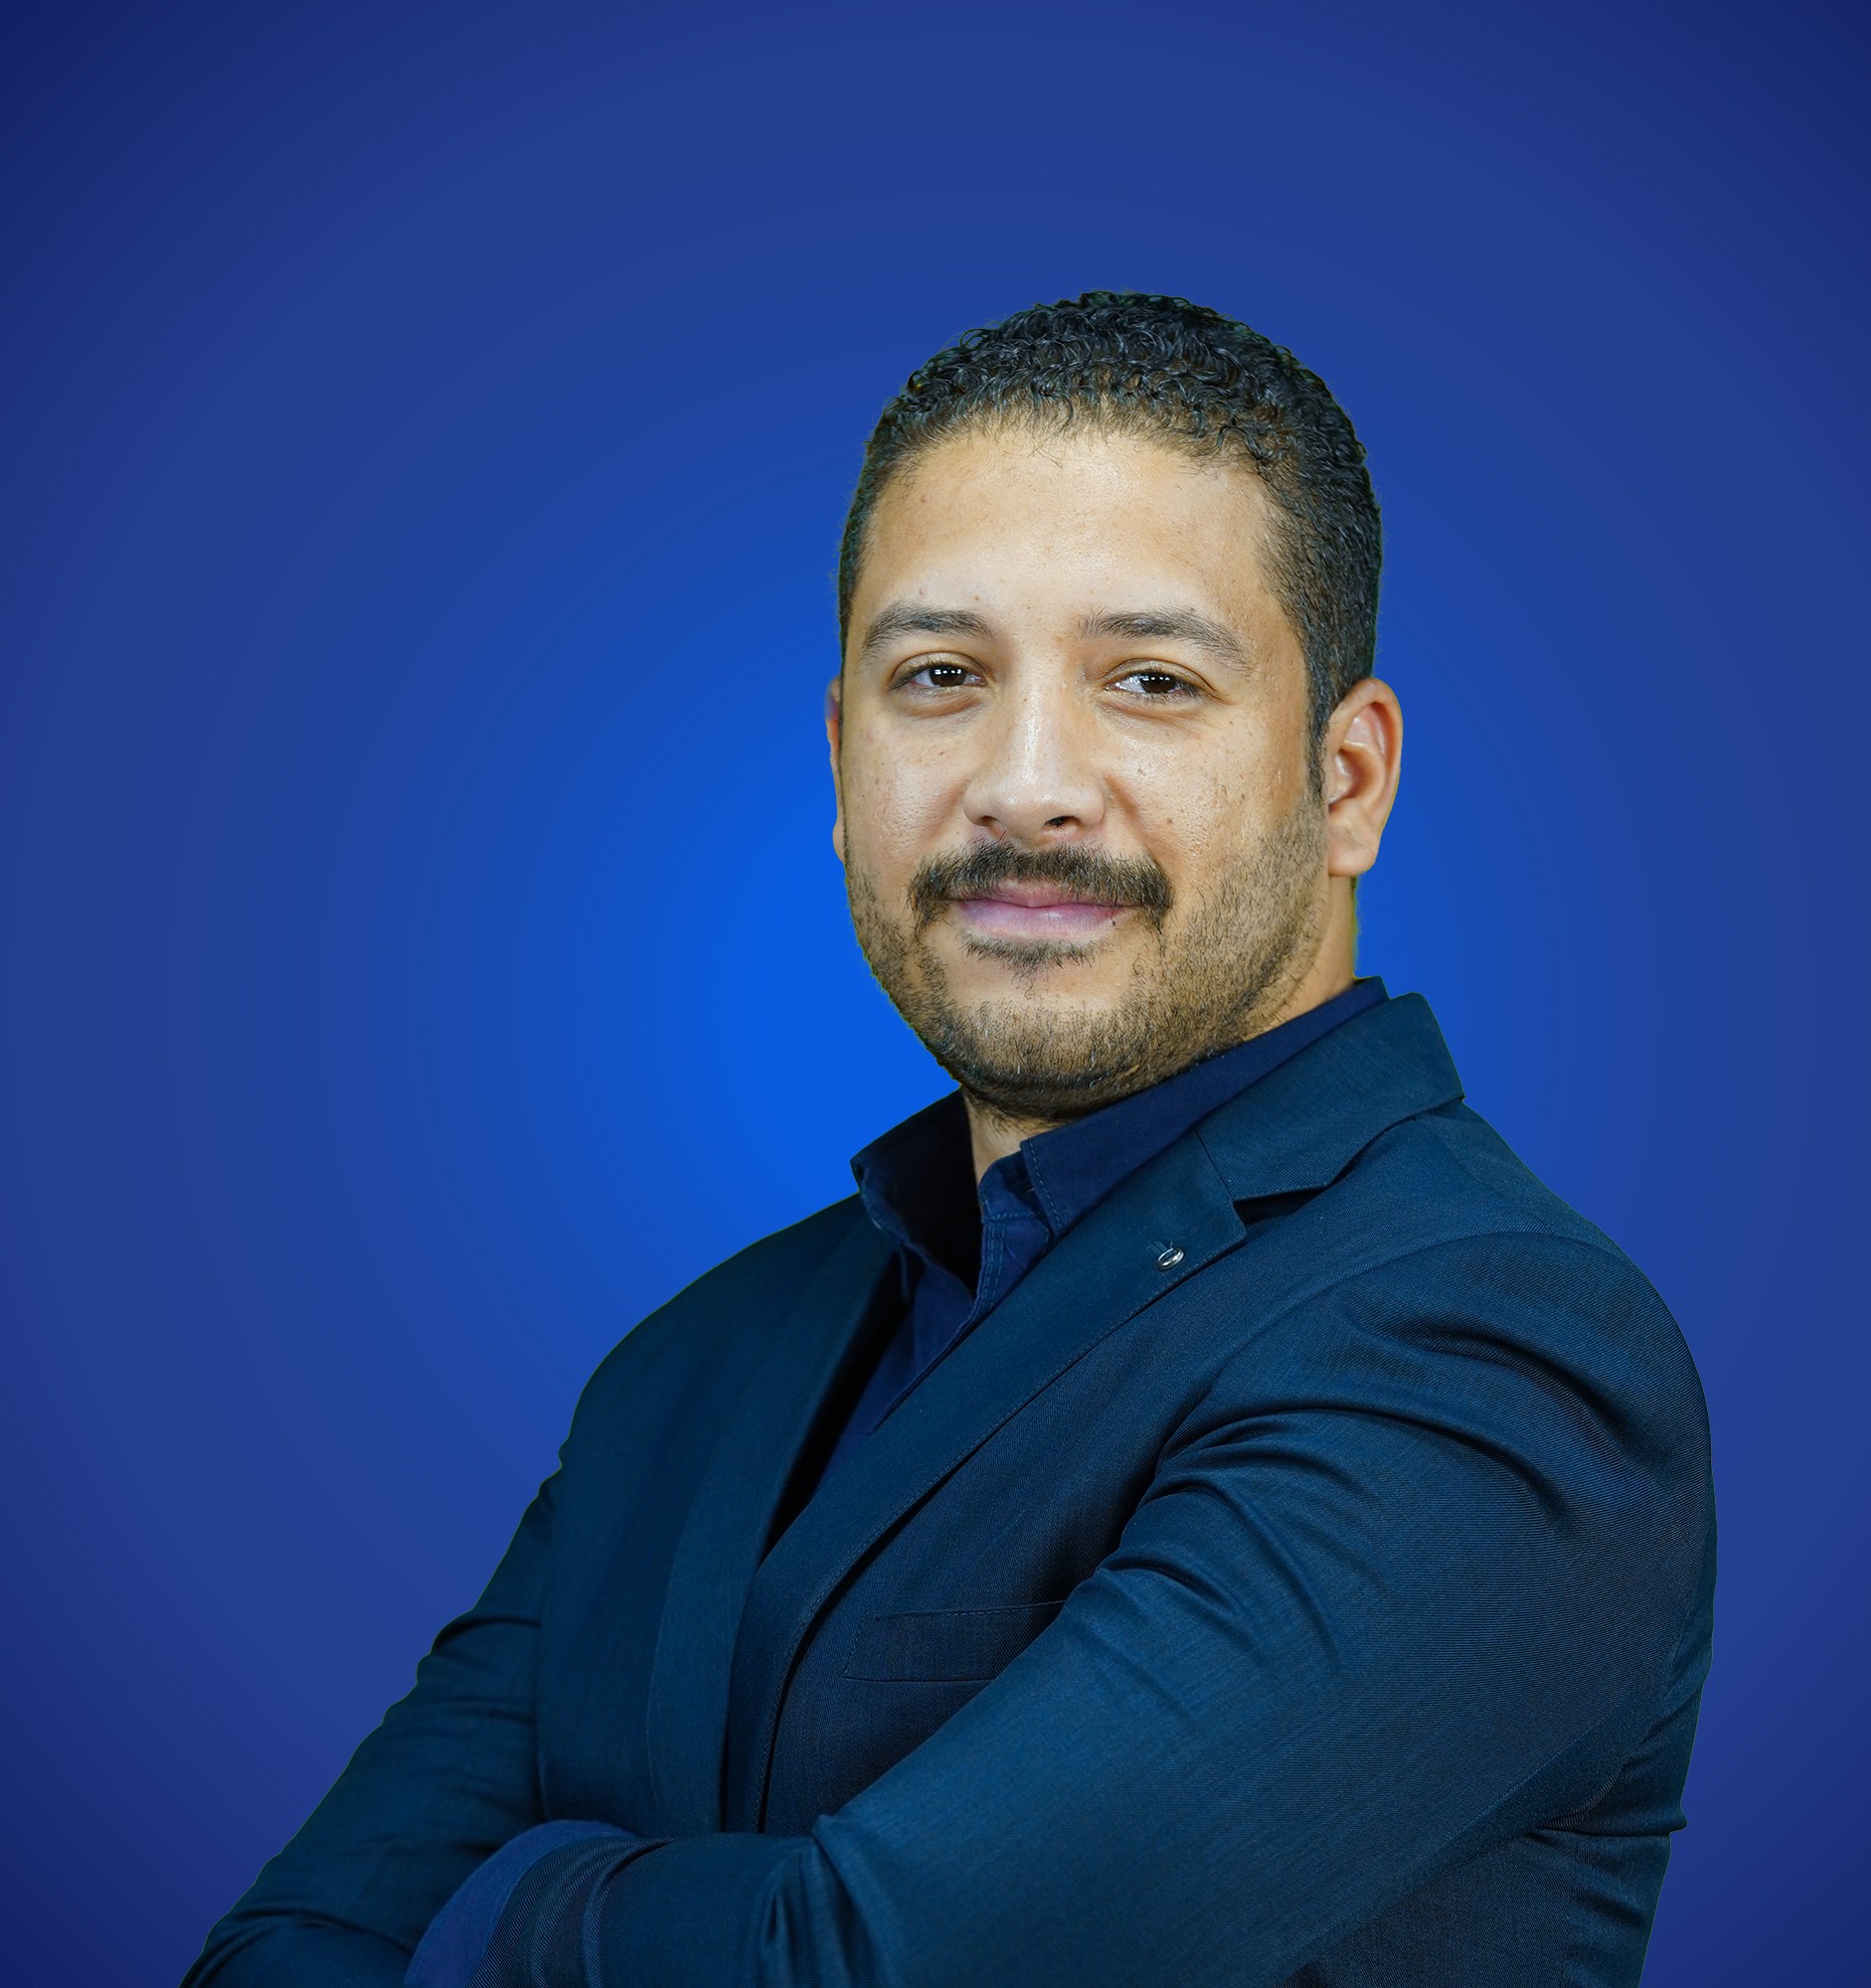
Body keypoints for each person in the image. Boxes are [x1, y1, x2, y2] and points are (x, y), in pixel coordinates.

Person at [184, 292, 1715, 1988]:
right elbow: (282, 1958)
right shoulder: (691, 1366)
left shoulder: (1486, 1349)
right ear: (845, 761)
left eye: (1150, 681)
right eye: (941, 678)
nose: (1025, 784)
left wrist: (520, 1907)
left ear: (1345, 780)